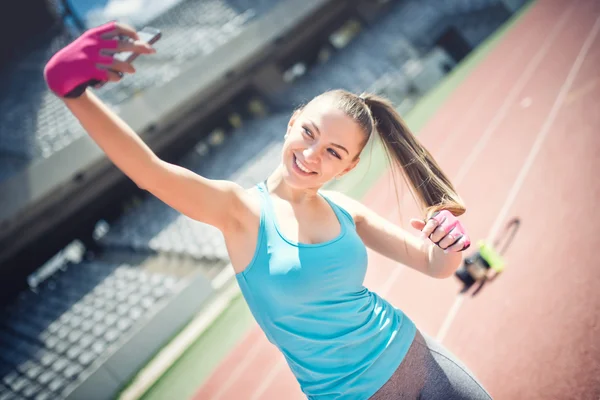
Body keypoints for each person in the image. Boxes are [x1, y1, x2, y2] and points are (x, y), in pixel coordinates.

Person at [44, 22, 492, 400]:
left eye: (334, 152)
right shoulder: (239, 211)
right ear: (292, 121)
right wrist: (75, 95)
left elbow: (433, 265)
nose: (313, 154)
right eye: (310, 133)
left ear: (349, 166)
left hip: (425, 365)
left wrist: (447, 243)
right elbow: (150, 172)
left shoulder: (342, 210)